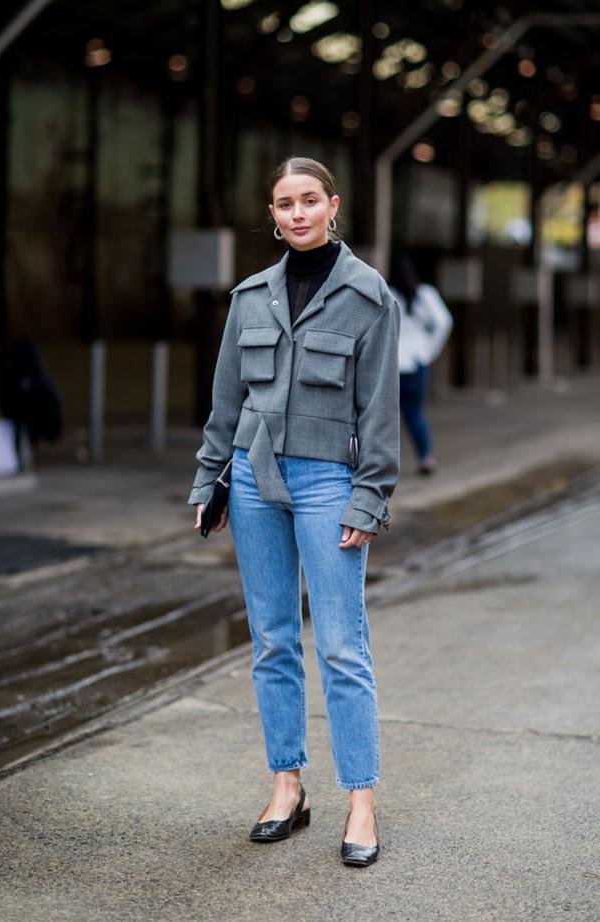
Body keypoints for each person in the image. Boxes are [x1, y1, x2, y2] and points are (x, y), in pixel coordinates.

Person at [189, 157, 400, 866]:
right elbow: (225, 403)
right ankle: (287, 786)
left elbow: (379, 411)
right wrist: (208, 481)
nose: (298, 212)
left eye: (310, 199)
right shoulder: (249, 297)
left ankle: (360, 802)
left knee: (341, 645)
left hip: (327, 484)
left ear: (332, 205)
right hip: (252, 480)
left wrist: (369, 496)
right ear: (273, 214)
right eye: (285, 202)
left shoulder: (369, 297)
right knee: (273, 639)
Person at [390, 255, 452, 475]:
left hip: (392, 364)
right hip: (417, 361)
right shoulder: (425, 295)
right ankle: (425, 457)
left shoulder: (388, 294)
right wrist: (429, 350)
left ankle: (386, 463)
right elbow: (444, 323)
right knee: (415, 413)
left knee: (388, 416)